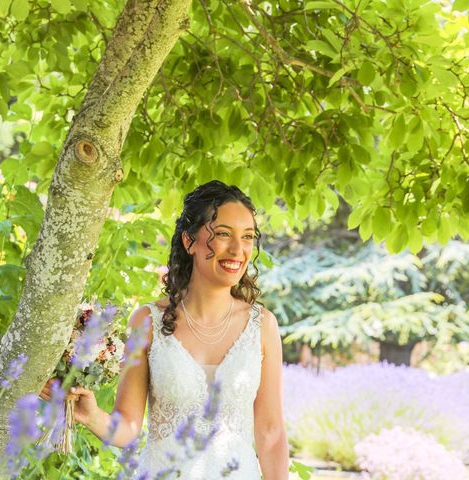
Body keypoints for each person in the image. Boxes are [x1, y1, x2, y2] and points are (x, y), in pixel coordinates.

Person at [40, 180, 289, 479]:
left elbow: (271, 432)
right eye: (223, 234)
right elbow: (128, 428)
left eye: (248, 237)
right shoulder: (148, 322)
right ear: (189, 241)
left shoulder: (262, 326)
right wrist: (91, 416)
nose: (238, 250)